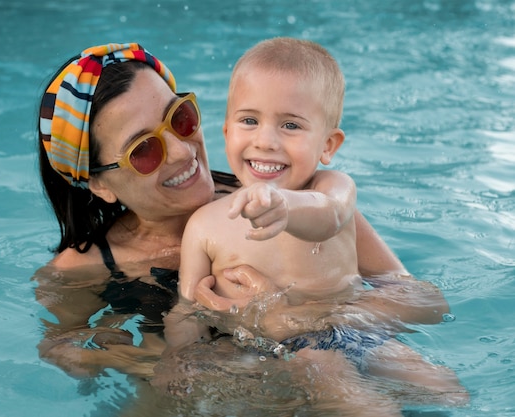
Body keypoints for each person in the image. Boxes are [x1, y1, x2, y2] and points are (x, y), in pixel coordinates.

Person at [33, 42, 455, 409]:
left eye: (180, 118)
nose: (183, 152)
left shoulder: (293, 196)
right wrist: (134, 360)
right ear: (100, 183)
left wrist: (291, 321)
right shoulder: (83, 271)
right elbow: (64, 354)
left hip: (342, 366)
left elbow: (422, 302)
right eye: (145, 149)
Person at [162, 38, 468, 413]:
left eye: (290, 125)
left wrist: (285, 207)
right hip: (276, 354)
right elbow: (187, 309)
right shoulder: (206, 225)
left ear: (328, 145)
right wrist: (179, 363)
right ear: (226, 131)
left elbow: (329, 213)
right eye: (249, 120)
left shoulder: (333, 191)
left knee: (450, 392)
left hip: (358, 333)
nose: (266, 140)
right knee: (364, 405)